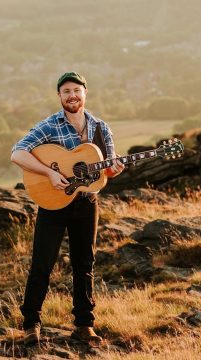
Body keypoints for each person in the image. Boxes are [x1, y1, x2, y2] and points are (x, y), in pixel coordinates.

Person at [10, 72, 125, 346]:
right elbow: (18, 152)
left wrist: (115, 169)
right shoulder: (50, 126)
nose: (72, 95)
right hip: (53, 204)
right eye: (66, 91)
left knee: (84, 264)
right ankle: (31, 324)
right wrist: (48, 173)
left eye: (76, 90)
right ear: (60, 97)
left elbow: (105, 170)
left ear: (85, 93)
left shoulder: (101, 128)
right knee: (42, 264)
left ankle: (84, 325)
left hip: (86, 204)